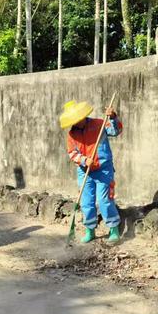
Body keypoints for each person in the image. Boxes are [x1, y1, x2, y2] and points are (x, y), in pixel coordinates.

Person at [60, 100, 123, 244]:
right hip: (85, 172)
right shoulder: (72, 135)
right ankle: (90, 231)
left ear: (83, 115)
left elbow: (116, 131)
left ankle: (114, 230)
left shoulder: (99, 124)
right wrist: (83, 160)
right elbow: (72, 153)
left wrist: (113, 117)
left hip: (103, 170)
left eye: (79, 118)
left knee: (104, 200)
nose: (78, 122)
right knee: (86, 203)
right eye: (74, 121)